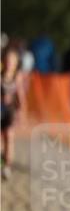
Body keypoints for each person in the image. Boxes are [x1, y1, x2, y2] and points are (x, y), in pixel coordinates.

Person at [1, 46, 27, 180]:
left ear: (16, 62)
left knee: (9, 137)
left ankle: (7, 166)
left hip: (9, 110)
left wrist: (21, 111)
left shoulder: (17, 75)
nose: (9, 62)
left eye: (12, 60)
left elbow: (20, 94)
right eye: (7, 59)